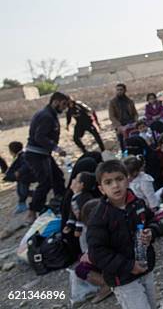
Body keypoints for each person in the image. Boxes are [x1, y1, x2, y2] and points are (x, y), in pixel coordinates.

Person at [87, 160, 157, 309]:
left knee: (152, 304)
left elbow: (152, 221)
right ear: (101, 189)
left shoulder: (137, 203)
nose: (115, 185)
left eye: (119, 179)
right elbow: (97, 253)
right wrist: (128, 266)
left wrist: (151, 232)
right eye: (108, 182)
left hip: (145, 267)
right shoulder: (100, 217)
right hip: (122, 278)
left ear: (128, 179)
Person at [24, 92, 69, 224]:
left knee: (57, 177)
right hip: (36, 154)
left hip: (43, 154)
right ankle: (32, 212)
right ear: (55, 102)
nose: (64, 108)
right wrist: (56, 148)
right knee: (45, 182)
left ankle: (61, 203)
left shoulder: (49, 114)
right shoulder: (46, 116)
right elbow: (40, 137)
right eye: (63, 104)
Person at [73, 198, 113, 304]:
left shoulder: (92, 230)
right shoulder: (113, 220)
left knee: (81, 269)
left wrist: (88, 256)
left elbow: (96, 250)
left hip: (110, 258)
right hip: (120, 256)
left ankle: (105, 284)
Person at [3, 141, 34, 214]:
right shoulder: (20, 156)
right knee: (21, 191)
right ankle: (22, 204)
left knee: (23, 191)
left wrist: (19, 172)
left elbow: (26, 165)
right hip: (22, 178)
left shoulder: (22, 156)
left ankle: (35, 197)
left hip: (25, 177)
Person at [63, 171, 97, 237]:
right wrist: (70, 224)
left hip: (88, 228)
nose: (73, 180)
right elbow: (73, 212)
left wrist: (79, 229)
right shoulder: (76, 196)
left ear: (81, 185)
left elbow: (84, 215)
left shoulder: (84, 199)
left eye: (76, 179)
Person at [109, 83, 138, 151]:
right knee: (122, 141)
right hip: (120, 124)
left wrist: (136, 121)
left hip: (131, 123)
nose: (119, 91)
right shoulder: (113, 102)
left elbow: (135, 113)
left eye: (121, 90)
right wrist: (119, 126)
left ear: (125, 90)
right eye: (117, 90)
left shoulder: (129, 101)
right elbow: (111, 116)